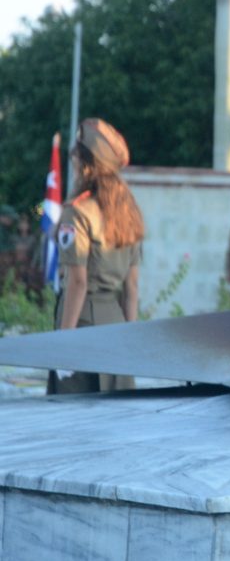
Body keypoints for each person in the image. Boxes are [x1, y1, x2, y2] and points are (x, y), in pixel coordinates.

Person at [48, 119, 145, 395]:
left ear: (85, 162)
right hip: (115, 322)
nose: (73, 163)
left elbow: (77, 282)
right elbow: (132, 287)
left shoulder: (77, 212)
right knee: (115, 420)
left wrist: (64, 343)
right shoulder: (129, 212)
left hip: (81, 323)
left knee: (75, 424)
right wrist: (130, 334)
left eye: (75, 156)